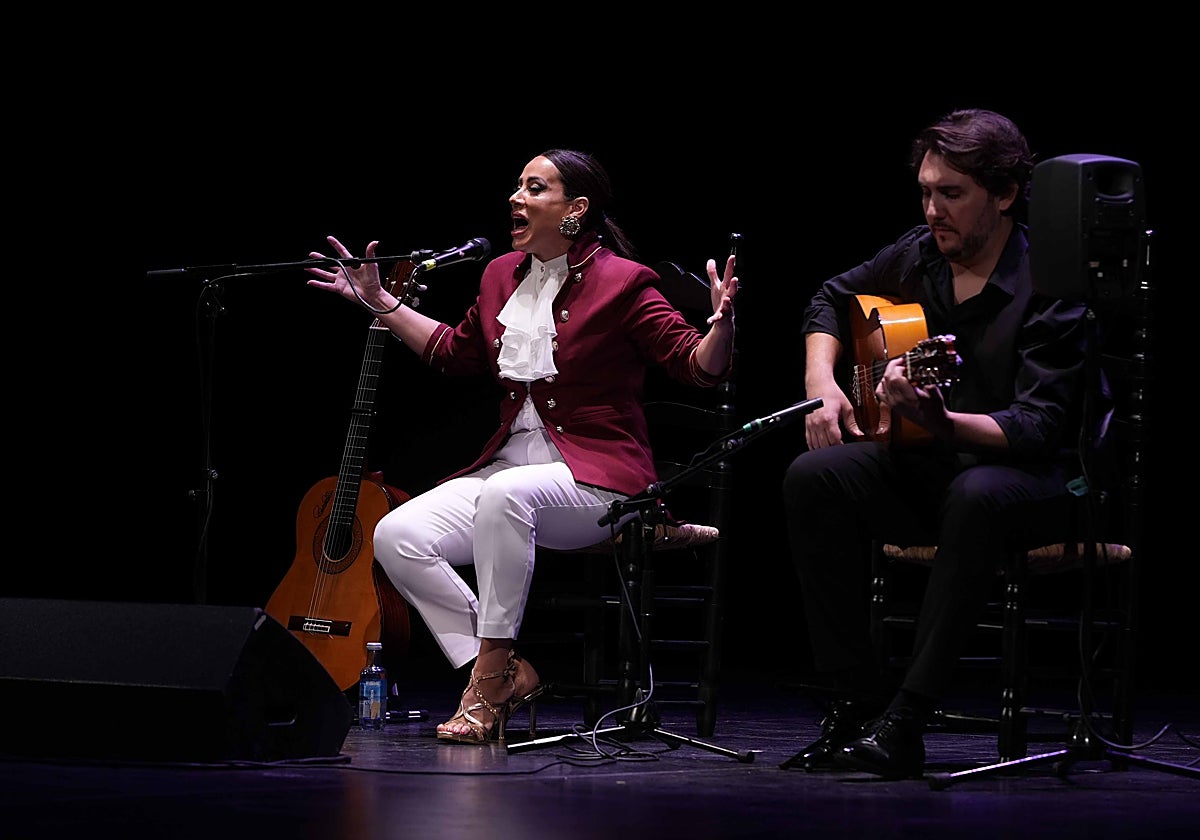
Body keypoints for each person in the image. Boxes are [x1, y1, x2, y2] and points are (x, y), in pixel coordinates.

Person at [304, 148, 738, 745]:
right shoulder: (499, 275)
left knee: (507, 496)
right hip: (511, 470)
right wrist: (381, 304)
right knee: (396, 536)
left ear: (574, 209)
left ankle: (485, 681)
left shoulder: (624, 282)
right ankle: (506, 671)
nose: (516, 198)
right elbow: (454, 352)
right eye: (517, 186)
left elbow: (697, 368)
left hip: (599, 479)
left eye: (535, 188)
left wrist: (722, 328)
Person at [779, 109, 1089, 778]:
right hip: (938, 473)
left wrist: (941, 421)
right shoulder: (919, 254)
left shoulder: (1052, 285)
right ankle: (857, 707)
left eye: (951, 194)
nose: (932, 209)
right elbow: (829, 298)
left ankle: (906, 719)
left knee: (977, 493)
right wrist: (823, 384)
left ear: (1004, 195)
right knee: (815, 476)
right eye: (925, 191)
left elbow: (1037, 428)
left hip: (1038, 484)